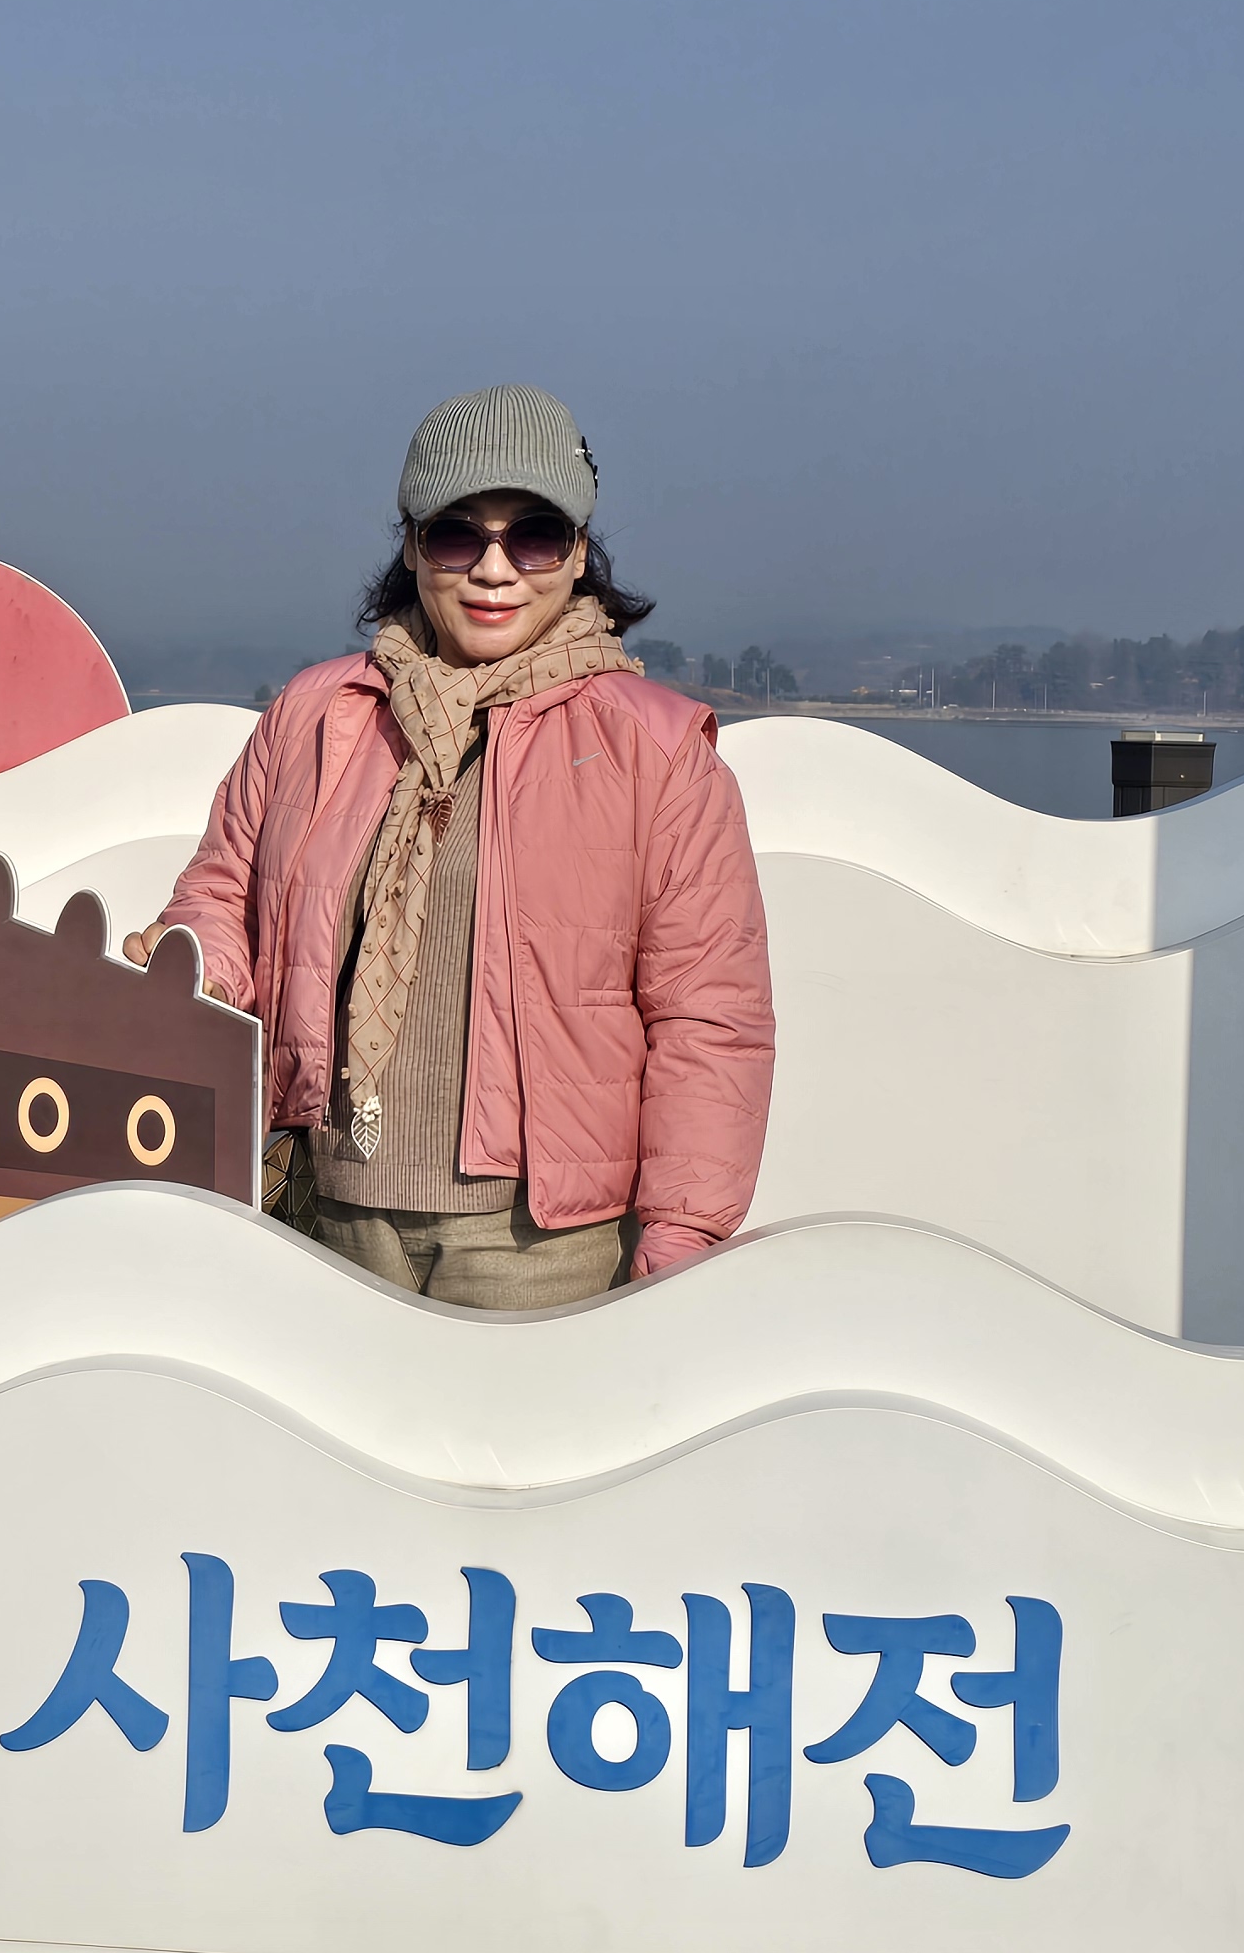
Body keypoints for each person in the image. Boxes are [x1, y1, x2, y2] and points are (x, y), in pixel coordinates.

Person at [134, 386, 773, 1305]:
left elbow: (708, 1018)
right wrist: (196, 972)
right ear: (410, 545)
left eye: (535, 536)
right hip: (323, 1212)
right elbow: (226, 894)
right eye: (457, 536)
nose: (494, 569)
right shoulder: (316, 715)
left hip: (544, 1248)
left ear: (580, 552)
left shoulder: (656, 751)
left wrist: (678, 1246)